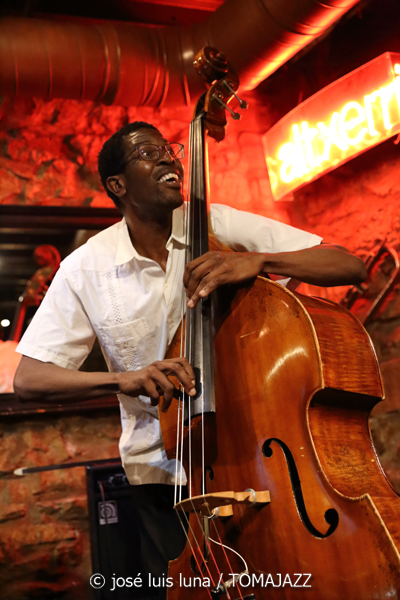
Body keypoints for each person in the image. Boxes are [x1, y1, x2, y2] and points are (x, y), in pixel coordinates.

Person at [13, 121, 367, 590]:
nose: (168, 158)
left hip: (254, 458)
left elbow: (348, 264)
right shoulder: (85, 268)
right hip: (160, 474)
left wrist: (260, 261)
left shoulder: (218, 224)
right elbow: (30, 379)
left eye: (170, 149)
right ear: (118, 185)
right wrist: (124, 379)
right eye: (148, 153)